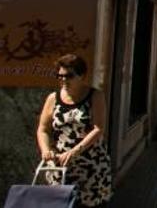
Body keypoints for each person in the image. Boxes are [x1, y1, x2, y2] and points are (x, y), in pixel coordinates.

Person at [36, 54, 113, 206]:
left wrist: (74, 152)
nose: (63, 79)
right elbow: (43, 129)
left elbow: (98, 129)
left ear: (82, 75)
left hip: (90, 167)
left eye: (69, 76)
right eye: (59, 75)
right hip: (61, 167)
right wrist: (45, 150)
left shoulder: (95, 96)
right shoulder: (53, 98)